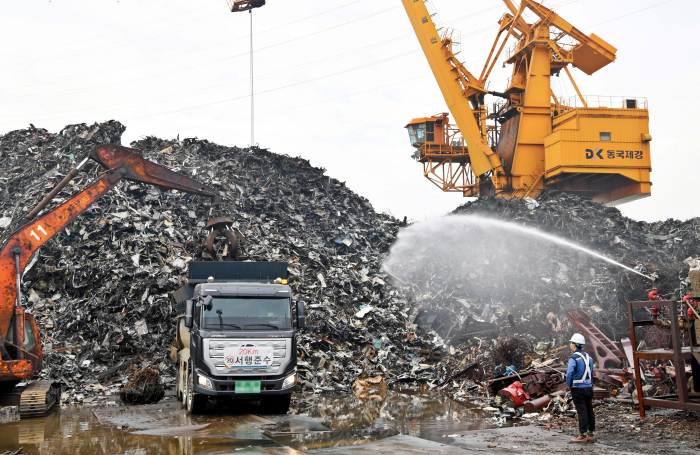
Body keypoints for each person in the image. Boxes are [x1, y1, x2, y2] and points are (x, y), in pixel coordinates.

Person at [566, 333, 595, 443]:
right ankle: (591, 434)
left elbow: (569, 373)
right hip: (589, 388)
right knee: (589, 410)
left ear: (574, 345)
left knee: (582, 411)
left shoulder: (574, 357)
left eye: (571, 343)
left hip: (578, 388)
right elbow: (591, 373)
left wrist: (570, 385)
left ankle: (582, 435)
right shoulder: (589, 357)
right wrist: (589, 384)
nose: (571, 345)